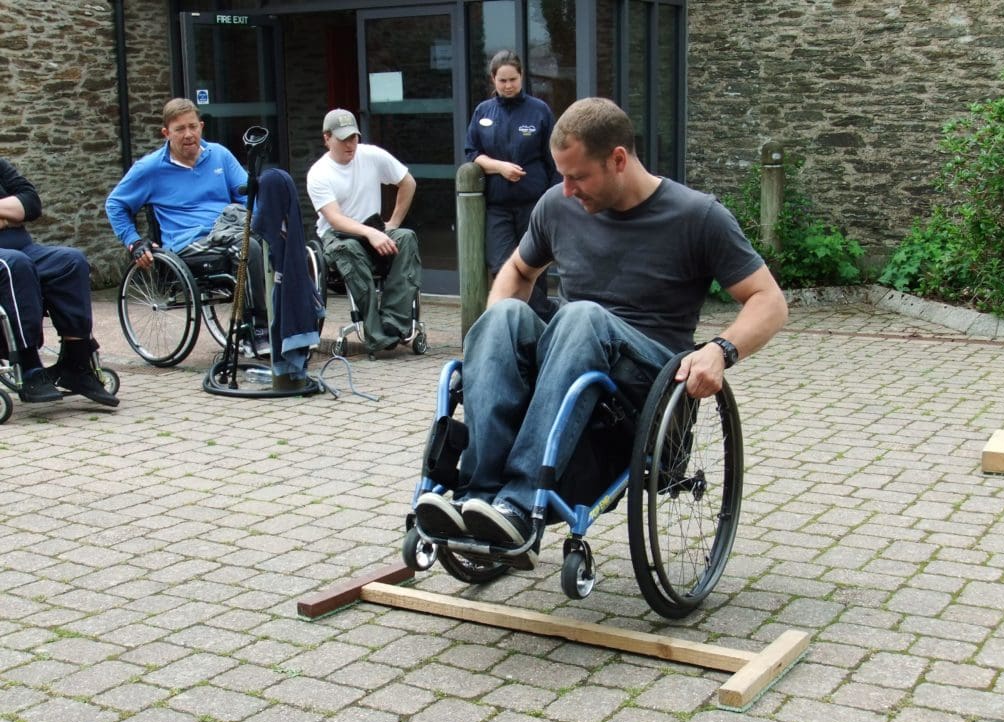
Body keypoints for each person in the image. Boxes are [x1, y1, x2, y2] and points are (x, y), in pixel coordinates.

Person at [415, 97, 788, 569]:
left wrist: (721, 350)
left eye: (578, 177)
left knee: (580, 315)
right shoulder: (557, 206)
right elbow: (517, 270)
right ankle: (482, 495)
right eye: (560, 176)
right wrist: (495, 341)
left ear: (618, 159)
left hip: (645, 381)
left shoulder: (698, 217)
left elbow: (769, 301)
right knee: (503, 316)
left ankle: (522, 501)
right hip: (571, 357)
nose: (566, 190)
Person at [105, 98, 269, 353]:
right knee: (249, 249)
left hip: (229, 229)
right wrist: (134, 241)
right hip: (188, 243)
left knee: (276, 243)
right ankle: (258, 329)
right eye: (180, 129)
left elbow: (248, 198)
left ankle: (299, 323)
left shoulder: (220, 156)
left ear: (201, 126)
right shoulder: (150, 169)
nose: (188, 134)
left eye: (193, 127)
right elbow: (115, 204)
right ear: (166, 133)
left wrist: (262, 224)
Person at [0, 157, 119, 407]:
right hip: (12, 258)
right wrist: (9, 212)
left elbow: (31, 204)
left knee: (71, 261)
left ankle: (75, 363)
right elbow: (19, 208)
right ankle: (29, 364)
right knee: (16, 265)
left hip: (22, 248)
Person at [306, 108, 422, 354]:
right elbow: (335, 219)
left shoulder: (371, 155)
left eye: (354, 137)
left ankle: (394, 323)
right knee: (348, 250)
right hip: (339, 237)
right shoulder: (318, 173)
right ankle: (374, 332)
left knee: (406, 238)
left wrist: (393, 224)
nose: (350, 144)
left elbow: (407, 182)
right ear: (327, 138)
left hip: (374, 229)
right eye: (343, 139)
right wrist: (370, 234)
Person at [465, 49, 560, 317]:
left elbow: (553, 160)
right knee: (501, 266)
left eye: (513, 80)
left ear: (522, 78)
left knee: (534, 269)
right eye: (502, 80)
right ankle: (546, 316)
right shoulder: (483, 111)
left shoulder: (539, 111)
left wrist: (553, 201)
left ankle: (536, 327)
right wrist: (499, 167)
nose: (508, 86)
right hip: (498, 207)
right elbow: (472, 153)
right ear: (493, 79)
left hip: (533, 205)